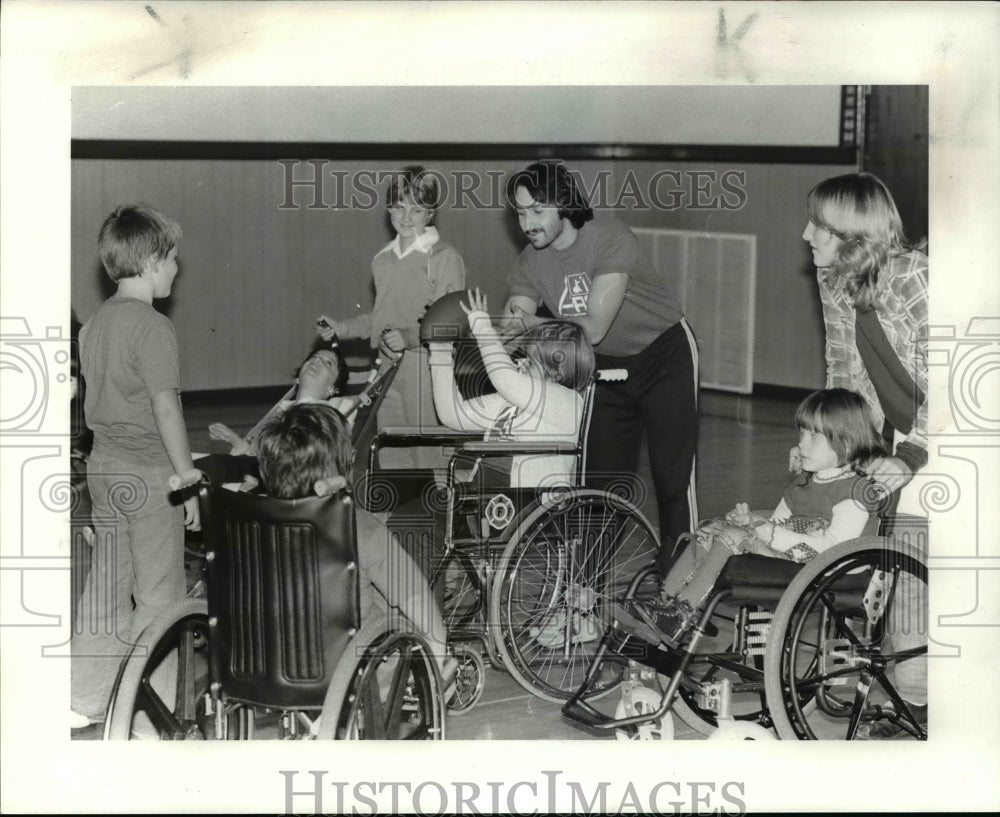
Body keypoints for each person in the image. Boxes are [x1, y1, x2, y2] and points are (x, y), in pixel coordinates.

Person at [501, 160, 698, 571]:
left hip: (663, 355)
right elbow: (512, 326)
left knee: (671, 478)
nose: (527, 223)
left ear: (564, 205)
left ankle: (680, 587)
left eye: (537, 210)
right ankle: (584, 596)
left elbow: (592, 328)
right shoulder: (528, 263)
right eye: (520, 213)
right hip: (604, 368)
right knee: (597, 485)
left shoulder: (609, 238)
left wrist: (531, 324)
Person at [801, 171, 928, 737]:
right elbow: (843, 375)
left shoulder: (914, 278)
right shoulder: (835, 281)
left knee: (915, 536)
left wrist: (915, 453)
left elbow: (957, 378)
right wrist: (836, 444)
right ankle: (903, 682)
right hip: (910, 429)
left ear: (852, 235)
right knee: (875, 525)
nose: (806, 235)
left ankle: (918, 694)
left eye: (819, 226)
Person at [71, 204, 200, 729]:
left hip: (103, 470)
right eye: (172, 259)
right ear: (149, 262)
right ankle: (152, 714)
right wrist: (187, 477)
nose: (175, 269)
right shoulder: (153, 328)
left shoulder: (95, 324)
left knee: (106, 583)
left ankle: (83, 700)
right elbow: (166, 407)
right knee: (160, 595)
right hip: (150, 475)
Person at [624, 389, 887, 644]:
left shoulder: (855, 492)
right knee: (714, 529)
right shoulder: (804, 483)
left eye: (814, 437)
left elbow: (834, 550)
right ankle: (663, 602)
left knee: (734, 539)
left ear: (846, 443)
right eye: (802, 432)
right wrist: (751, 522)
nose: (801, 443)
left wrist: (766, 532)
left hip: (830, 569)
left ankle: (682, 614)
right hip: (794, 556)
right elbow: (778, 524)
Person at [252, 403, 454, 681]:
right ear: (337, 465)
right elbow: (418, 603)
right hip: (358, 669)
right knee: (420, 528)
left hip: (276, 665)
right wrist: (439, 663)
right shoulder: (357, 525)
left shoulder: (252, 526)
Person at [317, 166, 466, 468]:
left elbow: (451, 322)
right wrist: (342, 328)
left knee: (428, 450)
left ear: (431, 213)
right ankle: (399, 512)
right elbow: (380, 319)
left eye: (416, 209)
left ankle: (441, 511)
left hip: (426, 366)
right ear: (388, 209)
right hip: (388, 367)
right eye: (399, 206)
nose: (406, 217)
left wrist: (410, 336)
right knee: (391, 446)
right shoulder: (382, 259)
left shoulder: (444, 257)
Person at [427, 288, 595, 490]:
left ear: (556, 373)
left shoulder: (566, 401)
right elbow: (453, 414)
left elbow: (504, 378)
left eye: (531, 362)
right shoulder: (513, 400)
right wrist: (440, 350)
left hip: (529, 498)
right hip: (490, 492)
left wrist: (482, 326)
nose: (521, 363)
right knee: (421, 490)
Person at [195, 338, 356, 490]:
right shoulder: (282, 410)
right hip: (263, 470)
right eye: (314, 357)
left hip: (296, 476)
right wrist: (235, 440)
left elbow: (319, 459)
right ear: (298, 378)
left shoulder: (331, 414)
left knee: (219, 471)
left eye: (328, 363)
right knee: (208, 465)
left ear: (333, 389)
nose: (317, 361)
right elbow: (256, 456)